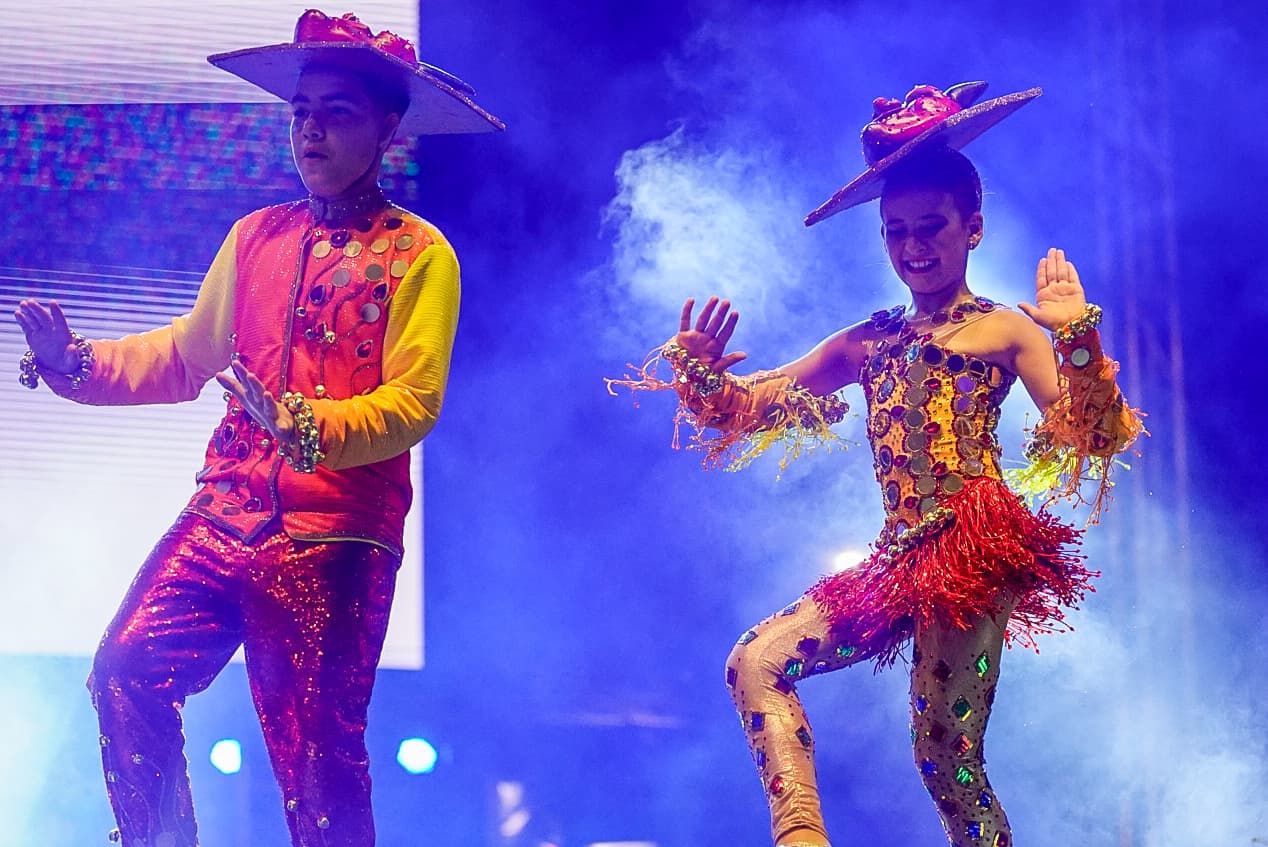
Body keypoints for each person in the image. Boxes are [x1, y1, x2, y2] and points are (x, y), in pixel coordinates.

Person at [12, 10, 503, 846]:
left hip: (335, 534)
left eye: (335, 112)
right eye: (300, 111)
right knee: (126, 669)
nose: (309, 128)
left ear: (386, 128)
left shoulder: (420, 254)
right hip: (225, 513)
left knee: (317, 756)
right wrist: (75, 362)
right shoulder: (256, 236)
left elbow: (413, 402)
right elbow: (181, 355)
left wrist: (309, 427)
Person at [609, 82, 1143, 847]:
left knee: (944, 758)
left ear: (973, 229)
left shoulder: (1004, 330)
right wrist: (700, 376)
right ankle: (801, 836)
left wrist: (1078, 340)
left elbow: (1098, 436)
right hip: (896, 560)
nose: (914, 246)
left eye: (932, 227)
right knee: (755, 660)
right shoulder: (870, 339)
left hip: (971, 550)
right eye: (897, 231)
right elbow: (750, 403)